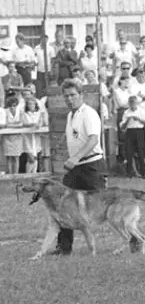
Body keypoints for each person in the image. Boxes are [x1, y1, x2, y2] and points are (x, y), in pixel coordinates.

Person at [53, 79, 107, 254]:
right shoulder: (71, 115)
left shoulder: (89, 114)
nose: (69, 99)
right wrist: (62, 145)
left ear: (81, 95)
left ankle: (131, 237)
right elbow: (74, 136)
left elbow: (93, 140)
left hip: (91, 166)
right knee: (63, 205)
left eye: (73, 95)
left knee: (102, 205)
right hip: (76, 169)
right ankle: (64, 247)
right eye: (66, 96)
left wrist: (75, 157)